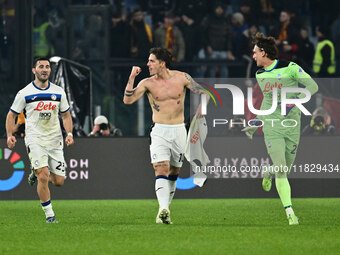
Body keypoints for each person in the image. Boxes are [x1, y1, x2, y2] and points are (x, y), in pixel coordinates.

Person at [242, 33, 318, 225]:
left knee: (283, 168)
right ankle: (290, 213)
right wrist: (256, 121)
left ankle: (268, 170)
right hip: (272, 125)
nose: (253, 56)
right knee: (282, 169)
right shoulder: (260, 75)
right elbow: (268, 101)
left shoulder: (290, 67)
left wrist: (293, 102)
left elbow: (313, 86)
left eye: (255, 53)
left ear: (264, 53)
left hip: (292, 126)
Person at [123, 47, 205, 224]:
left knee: (174, 172)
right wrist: (131, 78)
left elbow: (204, 92)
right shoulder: (147, 83)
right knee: (161, 169)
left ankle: (165, 211)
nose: (148, 64)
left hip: (179, 131)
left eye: (151, 61)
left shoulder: (182, 77)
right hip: (159, 131)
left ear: (162, 63)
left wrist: (202, 107)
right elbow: (127, 100)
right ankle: (163, 209)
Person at [5, 57, 74, 223]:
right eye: (41, 67)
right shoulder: (25, 93)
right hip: (35, 139)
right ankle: (50, 216)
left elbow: (65, 115)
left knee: (59, 181)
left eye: (47, 67)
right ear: (34, 70)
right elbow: (11, 115)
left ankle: (36, 171)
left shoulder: (59, 92)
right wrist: (9, 135)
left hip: (55, 139)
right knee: (43, 176)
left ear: (50, 70)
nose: (44, 69)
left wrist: (69, 133)